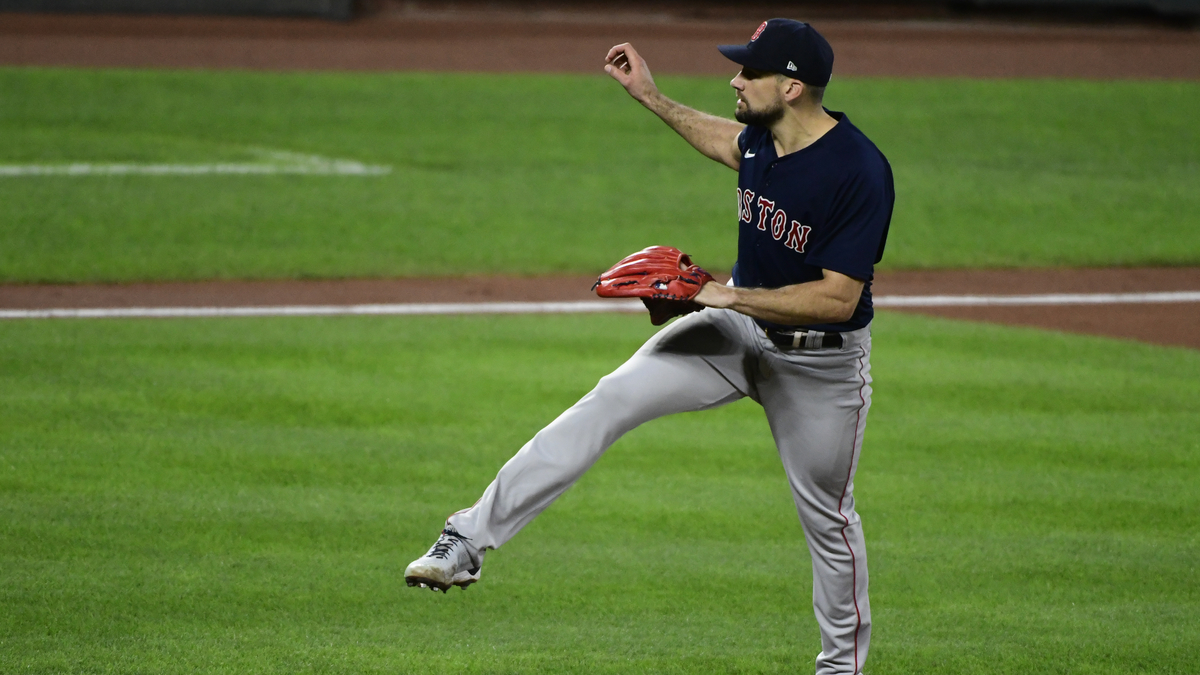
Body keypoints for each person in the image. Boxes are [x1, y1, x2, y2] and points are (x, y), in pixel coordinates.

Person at [405, 18, 894, 675]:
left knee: (829, 521)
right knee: (611, 398)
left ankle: (841, 668)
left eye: (749, 71)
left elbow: (838, 299)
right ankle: (468, 536)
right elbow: (724, 141)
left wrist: (726, 295)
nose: (735, 78)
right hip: (737, 331)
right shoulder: (760, 141)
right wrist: (650, 95)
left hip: (821, 365)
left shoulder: (859, 171)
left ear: (793, 86)